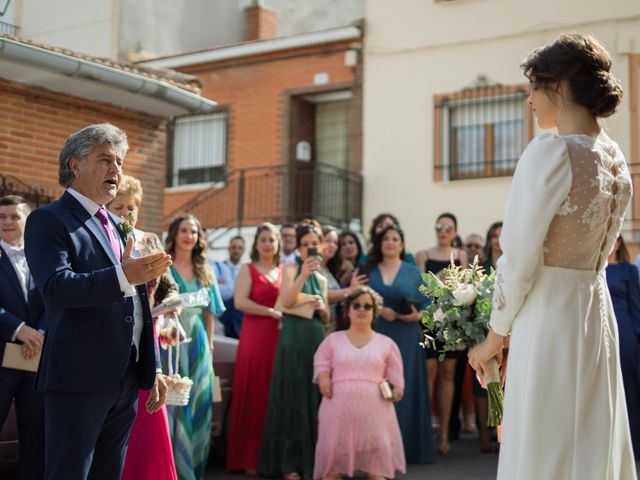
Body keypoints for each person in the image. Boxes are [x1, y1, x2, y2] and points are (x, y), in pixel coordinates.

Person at [469, 34, 636, 479]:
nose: (528, 100)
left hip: (549, 315)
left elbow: (519, 257)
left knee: (546, 442)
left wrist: (494, 335)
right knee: (588, 436)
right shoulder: (616, 158)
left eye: (532, 87)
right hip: (594, 310)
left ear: (557, 85)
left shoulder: (552, 152)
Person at [24, 123, 170, 480]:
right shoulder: (49, 220)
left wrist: (155, 366)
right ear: (75, 166)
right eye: (105, 159)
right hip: (78, 377)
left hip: (125, 376)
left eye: (119, 161)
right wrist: (124, 277)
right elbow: (57, 287)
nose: (116, 169)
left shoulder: (117, 224)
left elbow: (138, 306)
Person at [107, 175, 179, 480]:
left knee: (150, 412)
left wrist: (171, 303)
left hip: (148, 335)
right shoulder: (105, 238)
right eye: (118, 206)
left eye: (131, 207)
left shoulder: (150, 239)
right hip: (113, 336)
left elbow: (170, 286)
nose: (125, 212)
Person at [258, 220, 330, 480]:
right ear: (298, 248)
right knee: (291, 397)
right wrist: (303, 275)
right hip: (291, 339)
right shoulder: (290, 269)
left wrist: (321, 306)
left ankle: (310, 462)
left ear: (320, 246)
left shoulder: (322, 279)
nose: (310, 248)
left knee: (312, 398)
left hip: (314, 339)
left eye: (314, 244)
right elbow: (286, 301)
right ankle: (288, 464)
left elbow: (326, 318)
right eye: (305, 245)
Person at [313, 286, 406, 480]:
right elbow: (321, 361)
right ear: (347, 311)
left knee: (376, 470)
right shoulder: (332, 340)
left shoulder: (387, 343)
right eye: (356, 305)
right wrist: (323, 379)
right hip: (337, 410)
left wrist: (397, 389)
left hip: (375, 412)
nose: (361, 309)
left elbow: (396, 374)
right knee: (332, 468)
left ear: (374, 312)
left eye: (367, 306)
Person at [366, 224, 436, 464]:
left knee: (404, 388)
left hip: (406, 335)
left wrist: (417, 316)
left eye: (395, 239)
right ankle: (376, 450)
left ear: (402, 244)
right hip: (375, 335)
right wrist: (377, 310)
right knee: (376, 389)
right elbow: (357, 298)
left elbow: (429, 303)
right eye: (386, 238)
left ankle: (405, 447)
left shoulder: (413, 271)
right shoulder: (368, 269)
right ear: (380, 243)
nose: (390, 242)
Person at [164, 213, 225, 480]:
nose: (189, 236)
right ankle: (173, 469)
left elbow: (210, 314)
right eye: (184, 231)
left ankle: (193, 471)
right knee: (174, 406)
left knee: (199, 404)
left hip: (198, 343)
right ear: (175, 235)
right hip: (171, 343)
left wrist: (209, 350)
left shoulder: (205, 271)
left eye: (194, 232)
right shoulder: (164, 267)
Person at [226, 224, 283, 474]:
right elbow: (240, 301)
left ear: (278, 244)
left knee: (274, 393)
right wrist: (270, 312)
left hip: (279, 338)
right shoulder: (248, 269)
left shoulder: (285, 271)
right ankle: (248, 458)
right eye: (263, 239)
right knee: (255, 392)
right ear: (256, 244)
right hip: (255, 336)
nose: (268, 244)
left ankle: (273, 457)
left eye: (272, 239)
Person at [415, 212, 468, 454]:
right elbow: (420, 290)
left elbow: (467, 289)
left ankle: (444, 433)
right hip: (428, 322)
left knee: (448, 374)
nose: (443, 230)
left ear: (455, 232)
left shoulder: (461, 256)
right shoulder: (422, 255)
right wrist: (438, 279)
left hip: (453, 322)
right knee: (429, 374)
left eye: (448, 227)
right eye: (440, 226)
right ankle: (424, 432)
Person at [0, 195, 45, 480]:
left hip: (36, 358)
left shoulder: (42, 255)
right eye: (2, 217)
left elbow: (57, 298)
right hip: (1, 358)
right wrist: (18, 329)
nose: (7, 222)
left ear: (27, 221)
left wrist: (40, 332)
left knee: (35, 436)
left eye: (14, 216)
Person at [606, 235, 640, 461]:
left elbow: (636, 304)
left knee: (629, 385)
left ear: (619, 244)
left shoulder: (629, 270)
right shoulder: (595, 269)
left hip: (625, 331)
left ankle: (635, 446)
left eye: (615, 239)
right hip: (601, 329)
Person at [320, 226, 368, 330]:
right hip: (322, 325)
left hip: (333, 326)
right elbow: (322, 294)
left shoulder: (327, 268)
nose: (332, 245)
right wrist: (350, 289)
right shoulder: (313, 266)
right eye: (328, 241)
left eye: (335, 243)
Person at [214, 235, 245, 338]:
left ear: (243, 250)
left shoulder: (246, 270)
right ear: (229, 248)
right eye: (234, 247)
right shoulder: (218, 267)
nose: (236, 250)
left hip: (239, 318)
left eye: (239, 248)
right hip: (223, 316)